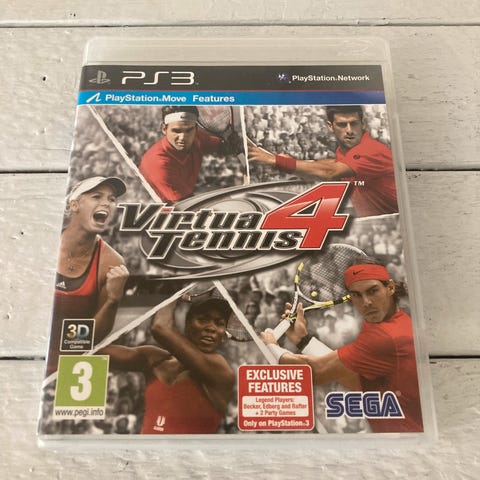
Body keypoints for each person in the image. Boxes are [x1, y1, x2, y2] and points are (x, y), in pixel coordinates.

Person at [261, 257, 423, 433]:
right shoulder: (390, 320)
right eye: (356, 295)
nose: (366, 302)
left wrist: (271, 346)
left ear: (390, 287)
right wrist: (303, 340)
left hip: (404, 439)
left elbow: (314, 372)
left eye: (373, 291)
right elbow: (354, 378)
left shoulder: (384, 336)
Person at [99, 298, 235, 434]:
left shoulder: (220, 369)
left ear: (224, 333)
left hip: (189, 449)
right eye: (203, 320)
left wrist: (174, 293)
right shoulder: (156, 359)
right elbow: (96, 352)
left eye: (219, 323)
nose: (211, 328)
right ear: (187, 324)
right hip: (147, 447)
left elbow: (160, 327)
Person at [248, 105, 398, 217]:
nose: (349, 130)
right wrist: (285, 162)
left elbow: (330, 171)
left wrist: (275, 160)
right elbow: (329, 165)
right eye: (342, 124)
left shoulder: (371, 149)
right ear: (330, 126)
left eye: (354, 123)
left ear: (363, 124)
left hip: (393, 221)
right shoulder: (344, 152)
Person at [46, 176, 130, 376]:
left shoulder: (112, 262)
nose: (106, 203)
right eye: (96, 196)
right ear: (74, 205)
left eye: (111, 199)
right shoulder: (44, 244)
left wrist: (113, 300)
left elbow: (93, 338)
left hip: (72, 365)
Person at [139, 106, 238, 203]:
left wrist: (233, 144)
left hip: (185, 197)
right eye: (176, 131)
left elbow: (223, 148)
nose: (183, 137)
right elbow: (188, 205)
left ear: (195, 129)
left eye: (188, 130)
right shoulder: (158, 164)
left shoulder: (197, 137)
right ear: (164, 129)